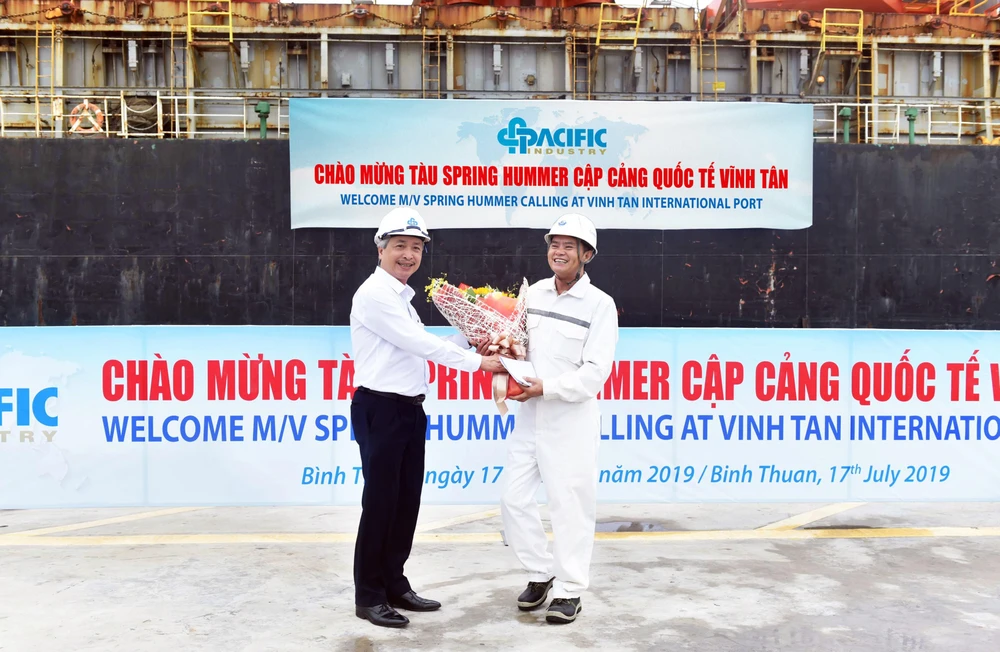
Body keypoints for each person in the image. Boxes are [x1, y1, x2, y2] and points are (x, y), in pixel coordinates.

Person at [349, 206, 505, 629]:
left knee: (405, 503)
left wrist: (472, 338)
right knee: (380, 504)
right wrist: (478, 363)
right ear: (381, 249)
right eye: (399, 245)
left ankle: (394, 583)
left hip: (408, 409)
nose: (408, 255)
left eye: (416, 248)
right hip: (381, 408)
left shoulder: (401, 297)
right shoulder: (375, 294)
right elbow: (417, 344)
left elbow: (421, 342)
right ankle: (369, 595)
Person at [499, 212, 619, 625]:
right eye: (555, 244)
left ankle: (569, 590)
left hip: (571, 422)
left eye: (570, 246)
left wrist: (546, 388)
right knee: (513, 499)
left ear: (587, 255)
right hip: (529, 416)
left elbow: (595, 374)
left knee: (569, 507)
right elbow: (517, 345)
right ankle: (540, 572)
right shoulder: (532, 294)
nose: (559, 251)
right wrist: (503, 356)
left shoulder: (600, 305)